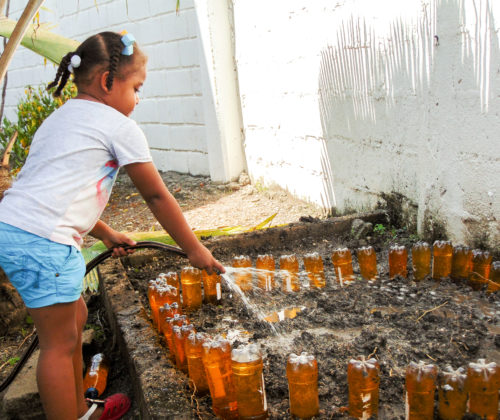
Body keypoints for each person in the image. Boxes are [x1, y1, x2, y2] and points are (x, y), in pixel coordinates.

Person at [0, 31, 225, 420]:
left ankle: (80, 408)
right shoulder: (118, 126)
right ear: (107, 81)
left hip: (17, 228)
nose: (138, 99)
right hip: (42, 242)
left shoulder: (61, 118)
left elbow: (54, 193)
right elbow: (156, 196)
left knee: (76, 320)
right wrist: (195, 249)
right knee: (58, 343)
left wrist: (105, 233)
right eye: (137, 87)